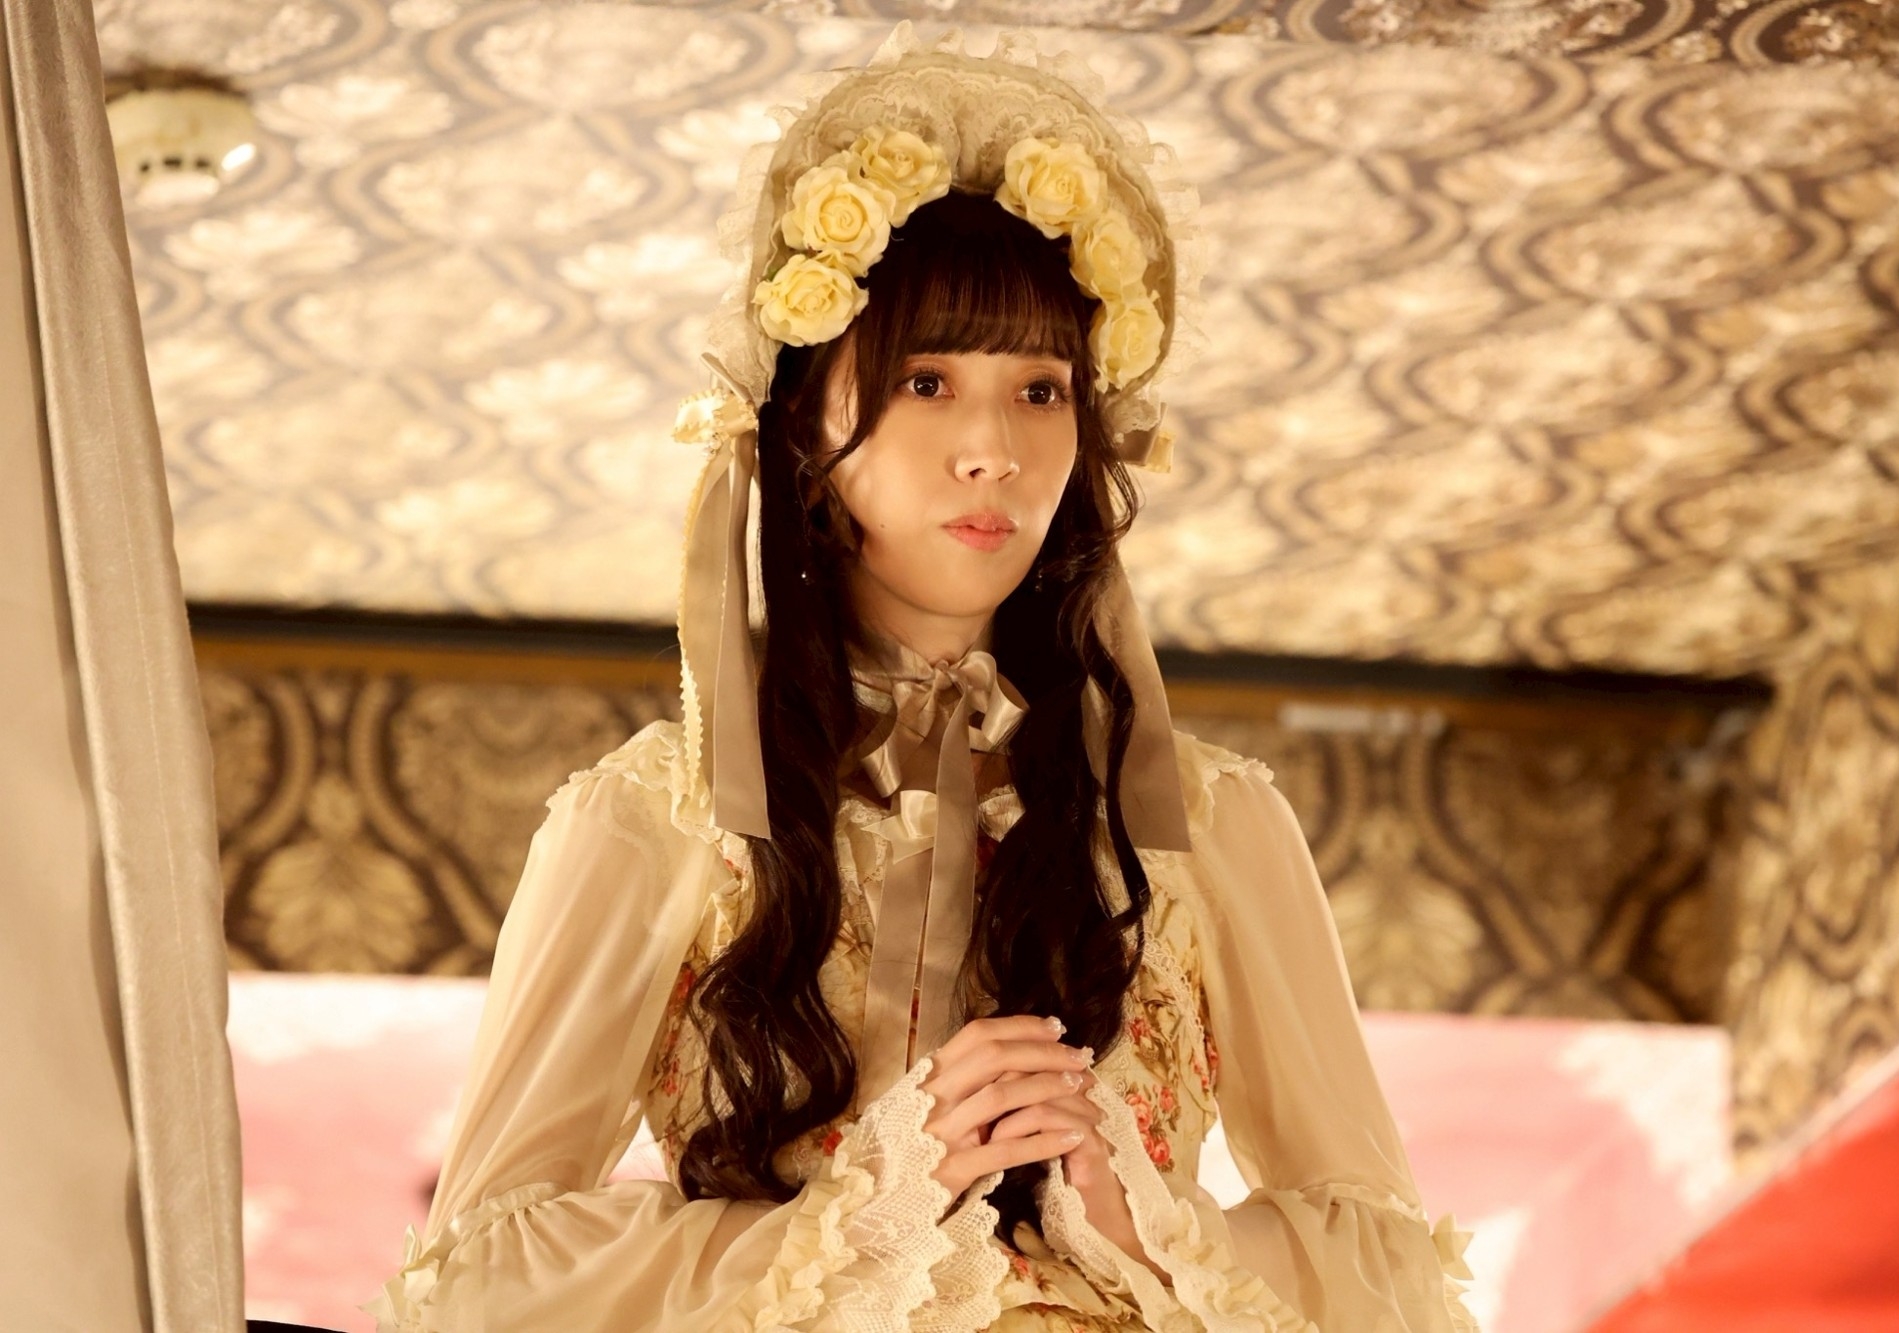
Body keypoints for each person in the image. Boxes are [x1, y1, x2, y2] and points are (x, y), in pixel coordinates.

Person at [366, 24, 1477, 1333]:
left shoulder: (1208, 824)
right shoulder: (660, 819)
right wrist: (878, 1203)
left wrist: (1144, 1224)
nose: (993, 448)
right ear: (807, 418)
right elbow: (486, 1273)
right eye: (929, 379)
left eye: (1042, 390)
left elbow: (1391, 1281)